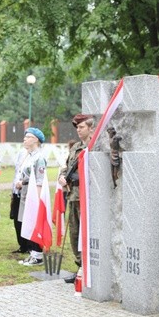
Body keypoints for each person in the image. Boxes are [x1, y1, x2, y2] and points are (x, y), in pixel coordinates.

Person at [59, 114, 94, 283]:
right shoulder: (75, 148)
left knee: (86, 233)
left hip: (88, 198)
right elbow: (66, 167)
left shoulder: (95, 147)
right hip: (73, 195)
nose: (78, 130)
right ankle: (79, 267)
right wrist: (62, 176)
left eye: (81, 127)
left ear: (90, 128)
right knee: (74, 233)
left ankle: (89, 268)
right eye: (77, 128)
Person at [16, 127, 47, 266]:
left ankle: (38, 255)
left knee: (35, 222)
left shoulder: (39, 157)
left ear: (35, 139)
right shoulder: (29, 155)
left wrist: (39, 199)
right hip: (26, 191)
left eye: (28, 137)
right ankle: (32, 253)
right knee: (27, 221)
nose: (25, 139)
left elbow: (40, 179)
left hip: (34, 192)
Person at [10, 147, 28, 253]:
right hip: (17, 191)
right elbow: (17, 171)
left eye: (28, 138)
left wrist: (23, 183)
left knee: (26, 219)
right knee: (17, 218)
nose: (25, 140)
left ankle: (29, 245)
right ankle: (22, 245)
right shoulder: (21, 152)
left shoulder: (37, 155)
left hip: (26, 192)